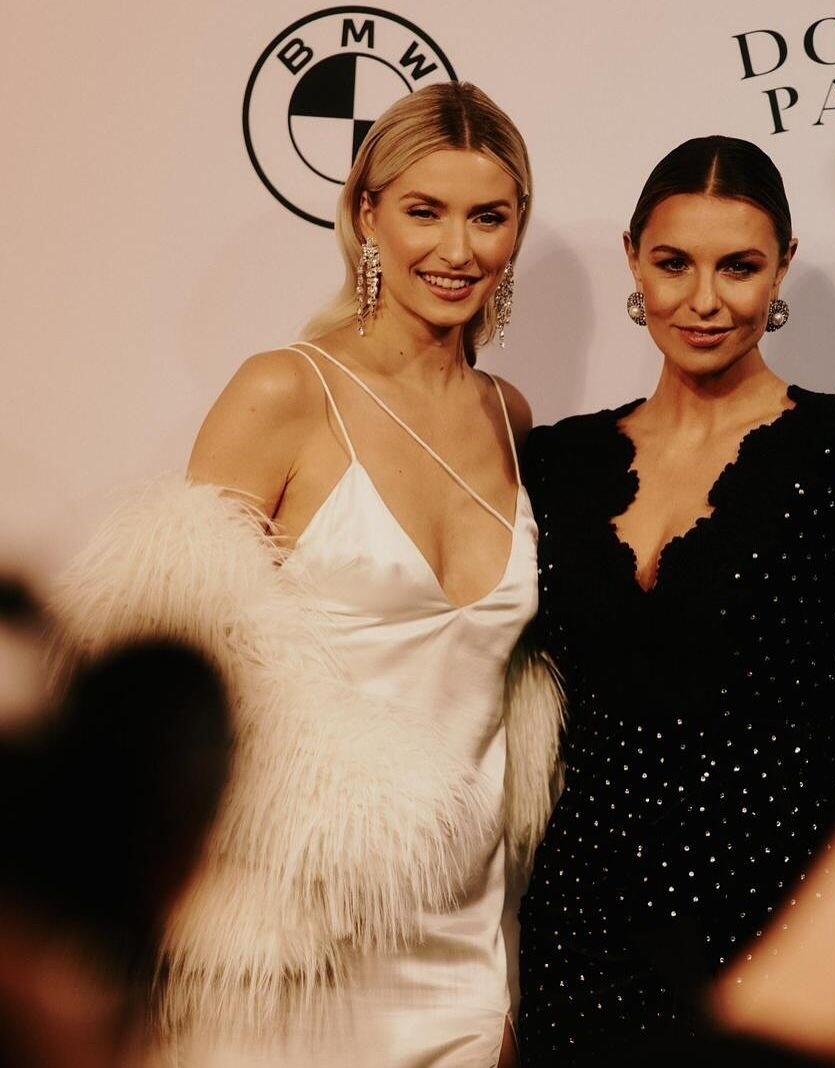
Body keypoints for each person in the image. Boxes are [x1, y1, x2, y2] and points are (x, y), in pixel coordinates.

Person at [50, 81, 563, 1068]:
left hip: (463, 953)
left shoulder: (511, 417)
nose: (457, 249)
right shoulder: (285, 390)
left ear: (517, 229)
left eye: (488, 217)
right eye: (425, 211)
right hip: (292, 947)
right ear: (367, 215)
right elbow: (180, 677)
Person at [517, 135, 835, 1065]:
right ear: (634, 259)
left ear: (782, 266)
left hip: (773, 928)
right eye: (674, 264)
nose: (704, 301)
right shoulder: (560, 460)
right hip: (579, 929)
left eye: (738, 267)